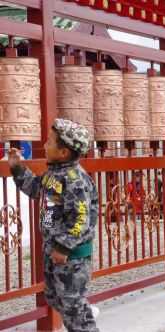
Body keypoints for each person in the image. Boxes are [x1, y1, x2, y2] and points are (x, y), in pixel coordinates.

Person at [8, 119, 99, 332]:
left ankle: (83, 319)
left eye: (50, 142)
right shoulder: (54, 174)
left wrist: (63, 247)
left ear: (64, 152)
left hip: (71, 255)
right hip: (54, 251)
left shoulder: (74, 179)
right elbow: (35, 189)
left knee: (72, 307)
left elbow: (80, 218)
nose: (45, 145)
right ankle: (82, 311)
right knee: (54, 296)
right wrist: (17, 168)